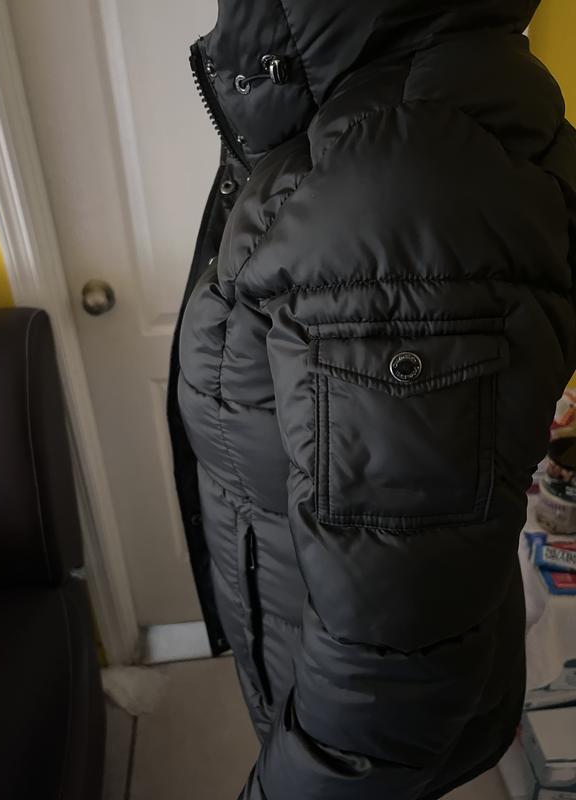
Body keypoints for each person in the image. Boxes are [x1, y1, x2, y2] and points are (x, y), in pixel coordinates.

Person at [167, 2, 576, 798]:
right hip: (297, 635)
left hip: (337, 715)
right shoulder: (355, 122)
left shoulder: (396, 173)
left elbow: (392, 665)